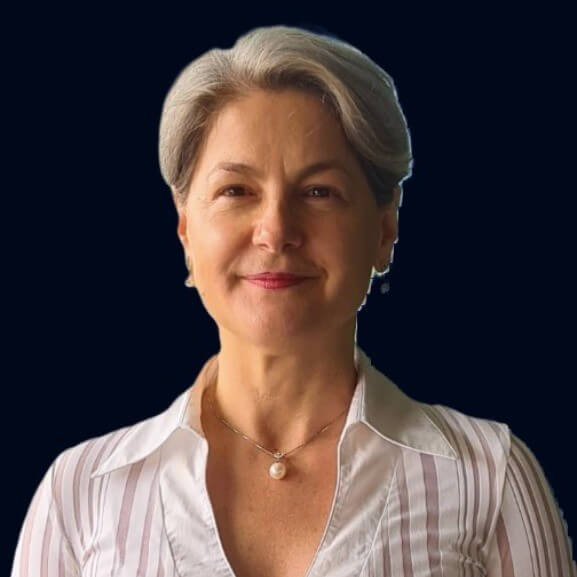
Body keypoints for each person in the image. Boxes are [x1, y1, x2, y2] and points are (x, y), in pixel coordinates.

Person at [11, 24, 575, 577]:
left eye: (319, 192)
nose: (276, 230)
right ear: (185, 230)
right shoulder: (80, 494)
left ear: (384, 230)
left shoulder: (489, 477)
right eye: (236, 191)